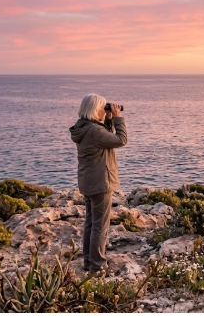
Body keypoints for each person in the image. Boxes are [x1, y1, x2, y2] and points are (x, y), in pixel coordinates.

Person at [69, 93, 127, 273]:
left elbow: (105, 139)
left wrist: (108, 120)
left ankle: (89, 262)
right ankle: (98, 266)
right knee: (100, 226)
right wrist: (118, 118)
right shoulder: (94, 131)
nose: (105, 110)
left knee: (91, 223)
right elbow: (121, 140)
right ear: (95, 109)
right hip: (101, 182)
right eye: (103, 108)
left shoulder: (84, 127)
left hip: (88, 181)